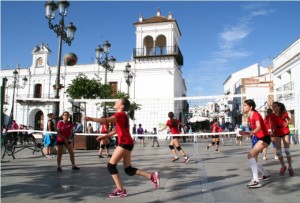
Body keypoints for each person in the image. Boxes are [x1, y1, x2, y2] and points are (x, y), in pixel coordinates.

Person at [83, 97, 159, 198]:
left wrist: (91, 119)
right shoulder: (123, 116)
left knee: (111, 166)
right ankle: (151, 176)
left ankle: (120, 190)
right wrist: (105, 136)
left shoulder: (119, 114)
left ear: (122, 106)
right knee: (128, 169)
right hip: (128, 143)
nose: (115, 101)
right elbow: (116, 130)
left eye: (117, 101)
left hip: (124, 143)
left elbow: (106, 120)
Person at [240, 99, 270, 188]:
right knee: (253, 159)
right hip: (259, 138)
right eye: (243, 105)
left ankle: (256, 181)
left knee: (250, 155)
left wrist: (252, 132)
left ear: (250, 107)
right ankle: (265, 174)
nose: (243, 107)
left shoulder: (255, 114)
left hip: (264, 138)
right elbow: (254, 131)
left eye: (245, 105)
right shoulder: (250, 116)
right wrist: (245, 133)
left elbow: (259, 127)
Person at [270, 102, 294, 176]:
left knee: (287, 150)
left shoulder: (284, 113)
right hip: (277, 133)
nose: (273, 108)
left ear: (279, 107)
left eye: (274, 106)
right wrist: (272, 133)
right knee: (278, 152)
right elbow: (272, 125)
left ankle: (290, 167)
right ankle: (283, 166)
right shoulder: (272, 115)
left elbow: (290, 120)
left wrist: (287, 123)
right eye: (272, 106)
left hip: (285, 132)